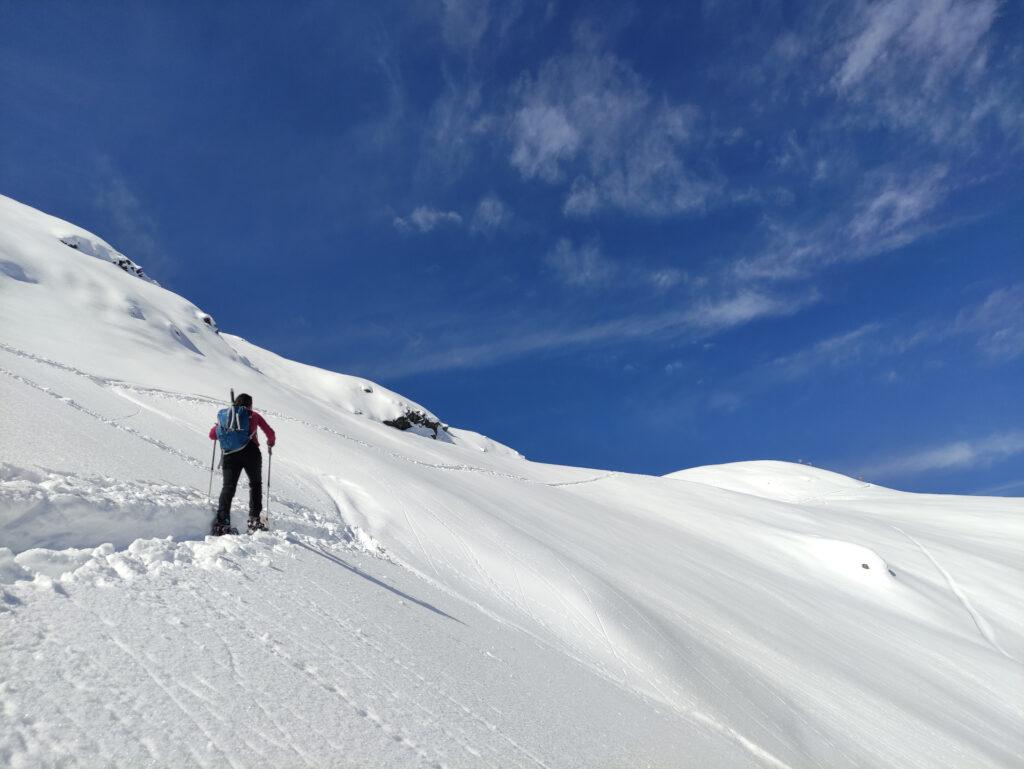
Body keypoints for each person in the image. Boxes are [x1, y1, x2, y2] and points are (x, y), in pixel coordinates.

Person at [209, 393, 276, 535]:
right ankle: (254, 520)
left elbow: (212, 435)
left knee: (228, 486)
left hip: (230, 454)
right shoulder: (253, 415)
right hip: (251, 452)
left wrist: (222, 429)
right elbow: (270, 433)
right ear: (250, 405)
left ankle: (222, 523)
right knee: (255, 485)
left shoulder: (226, 416)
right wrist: (270, 443)